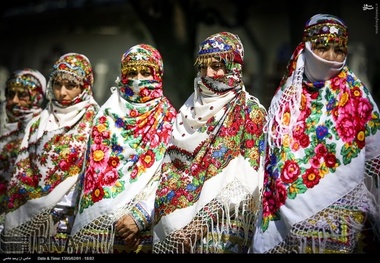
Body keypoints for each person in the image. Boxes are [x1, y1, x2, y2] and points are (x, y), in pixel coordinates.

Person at [251, 14, 380, 254]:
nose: (331, 58)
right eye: (322, 48)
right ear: (307, 46)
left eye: (338, 50)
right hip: (287, 232)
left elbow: (376, 157)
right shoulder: (285, 101)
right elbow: (270, 162)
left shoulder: (358, 97)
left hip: (345, 230)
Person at [152, 32, 267, 253]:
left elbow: (248, 175)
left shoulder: (250, 112)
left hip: (223, 228)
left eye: (217, 66)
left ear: (234, 67)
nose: (208, 74)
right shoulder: (186, 112)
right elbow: (169, 169)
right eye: (203, 67)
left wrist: (202, 222)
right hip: (174, 231)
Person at [70, 44, 177, 253]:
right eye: (131, 72)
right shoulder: (106, 116)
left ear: (158, 74)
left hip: (144, 230)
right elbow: (94, 177)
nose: (138, 79)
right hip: (102, 233)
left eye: (146, 72)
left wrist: (140, 216)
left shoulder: (172, 120)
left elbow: (172, 176)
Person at [2, 53, 99, 253]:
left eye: (70, 85)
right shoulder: (39, 123)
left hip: (72, 225)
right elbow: (23, 170)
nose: (62, 92)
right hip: (32, 226)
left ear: (85, 86)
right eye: (57, 84)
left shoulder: (96, 122)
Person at [0, 69, 46, 236]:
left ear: (37, 97)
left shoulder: (43, 126)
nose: (14, 101)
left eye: (22, 96)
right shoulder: (2, 120)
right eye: (10, 94)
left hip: (24, 214)